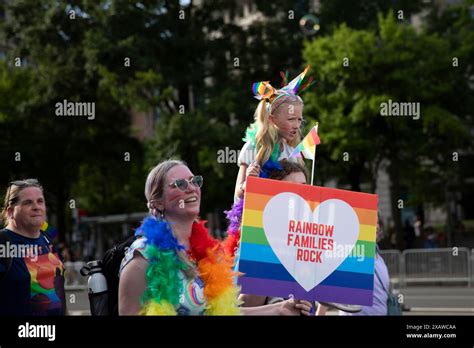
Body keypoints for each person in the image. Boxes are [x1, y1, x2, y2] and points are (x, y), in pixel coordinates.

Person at [118, 160, 240, 315]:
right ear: (159, 203)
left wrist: (277, 309)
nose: (191, 188)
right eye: (180, 184)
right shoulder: (143, 257)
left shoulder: (206, 252)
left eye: (194, 181)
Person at [226, 160, 313, 315]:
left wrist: (303, 304)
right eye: (292, 189)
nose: (300, 195)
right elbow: (239, 309)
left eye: (305, 187)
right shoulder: (257, 243)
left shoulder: (309, 243)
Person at [234, 66, 313, 201]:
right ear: (272, 119)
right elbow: (238, 194)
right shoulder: (253, 148)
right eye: (291, 119)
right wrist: (248, 183)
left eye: (299, 119)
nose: (297, 125)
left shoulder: (292, 153)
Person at [0, 179, 67, 316]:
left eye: (40, 201)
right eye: (28, 202)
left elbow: (60, 292)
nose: (36, 207)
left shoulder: (48, 240)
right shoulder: (3, 243)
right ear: (11, 211)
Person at [316, 214, 390, 316]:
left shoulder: (378, 256)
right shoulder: (352, 254)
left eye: (377, 222)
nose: (376, 227)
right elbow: (329, 290)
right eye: (371, 222)